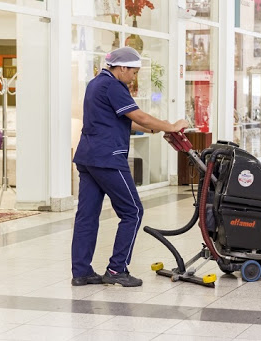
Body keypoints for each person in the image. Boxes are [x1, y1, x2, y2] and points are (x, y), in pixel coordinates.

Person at [71, 47, 188, 287]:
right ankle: (117, 269)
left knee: (86, 216)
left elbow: (125, 120)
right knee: (132, 211)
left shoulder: (96, 83)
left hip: (88, 157)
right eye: (133, 72)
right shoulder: (113, 86)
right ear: (122, 67)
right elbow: (140, 117)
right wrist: (172, 127)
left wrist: (161, 127)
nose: (134, 77)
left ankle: (81, 272)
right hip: (108, 159)